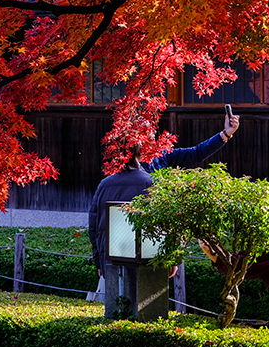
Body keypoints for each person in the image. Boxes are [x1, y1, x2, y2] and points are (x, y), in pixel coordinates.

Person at [89, 110, 241, 291]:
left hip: (138, 248)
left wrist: (225, 134)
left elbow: (196, 153)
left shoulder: (160, 158)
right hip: (128, 247)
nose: (150, 138)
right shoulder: (120, 178)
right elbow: (98, 221)